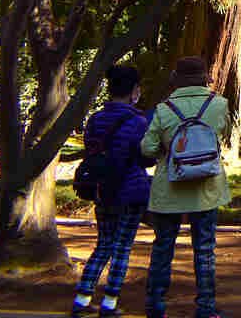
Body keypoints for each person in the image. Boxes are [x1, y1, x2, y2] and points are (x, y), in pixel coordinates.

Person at [142, 56, 231, 318]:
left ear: (176, 80)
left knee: (163, 248)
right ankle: (206, 307)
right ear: (205, 78)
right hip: (206, 189)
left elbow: (147, 148)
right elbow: (221, 137)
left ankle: (155, 306)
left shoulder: (163, 109)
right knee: (204, 250)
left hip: (168, 190)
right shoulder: (219, 105)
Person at [71, 65, 153, 318]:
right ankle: (109, 303)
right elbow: (145, 156)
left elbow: (92, 151)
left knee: (103, 245)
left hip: (102, 191)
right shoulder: (139, 121)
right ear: (134, 92)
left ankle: (82, 300)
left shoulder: (96, 120)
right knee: (122, 248)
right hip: (131, 191)